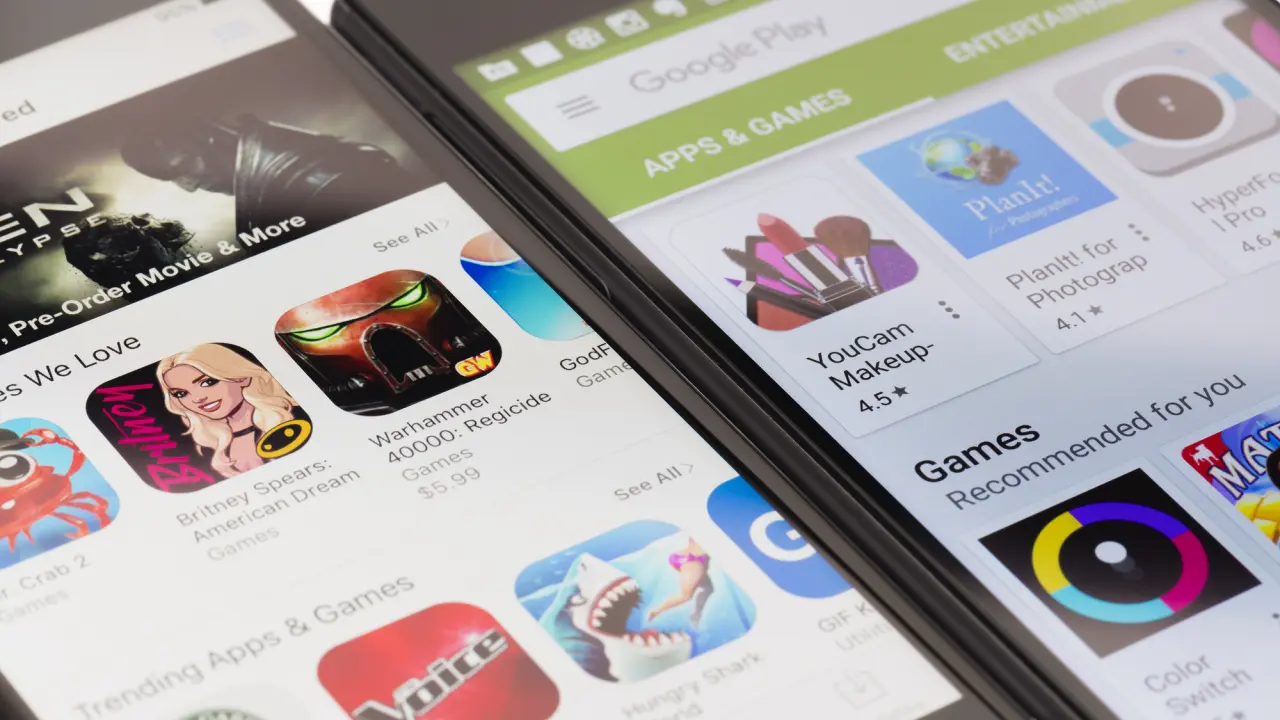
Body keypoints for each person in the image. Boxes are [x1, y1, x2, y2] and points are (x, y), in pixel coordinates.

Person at [120, 115, 417, 244]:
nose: (190, 186)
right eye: (173, 178)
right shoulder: (274, 188)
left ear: (210, 140)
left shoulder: (319, 180)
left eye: (184, 165)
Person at [157, 344, 298, 478]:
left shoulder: (291, 418)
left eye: (208, 382)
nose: (198, 398)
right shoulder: (208, 445)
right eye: (181, 393)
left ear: (241, 377)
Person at [648, 538, 715, 629]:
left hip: (683, 556)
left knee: (708, 588)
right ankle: (655, 612)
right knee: (685, 597)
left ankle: (696, 614)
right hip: (694, 561)